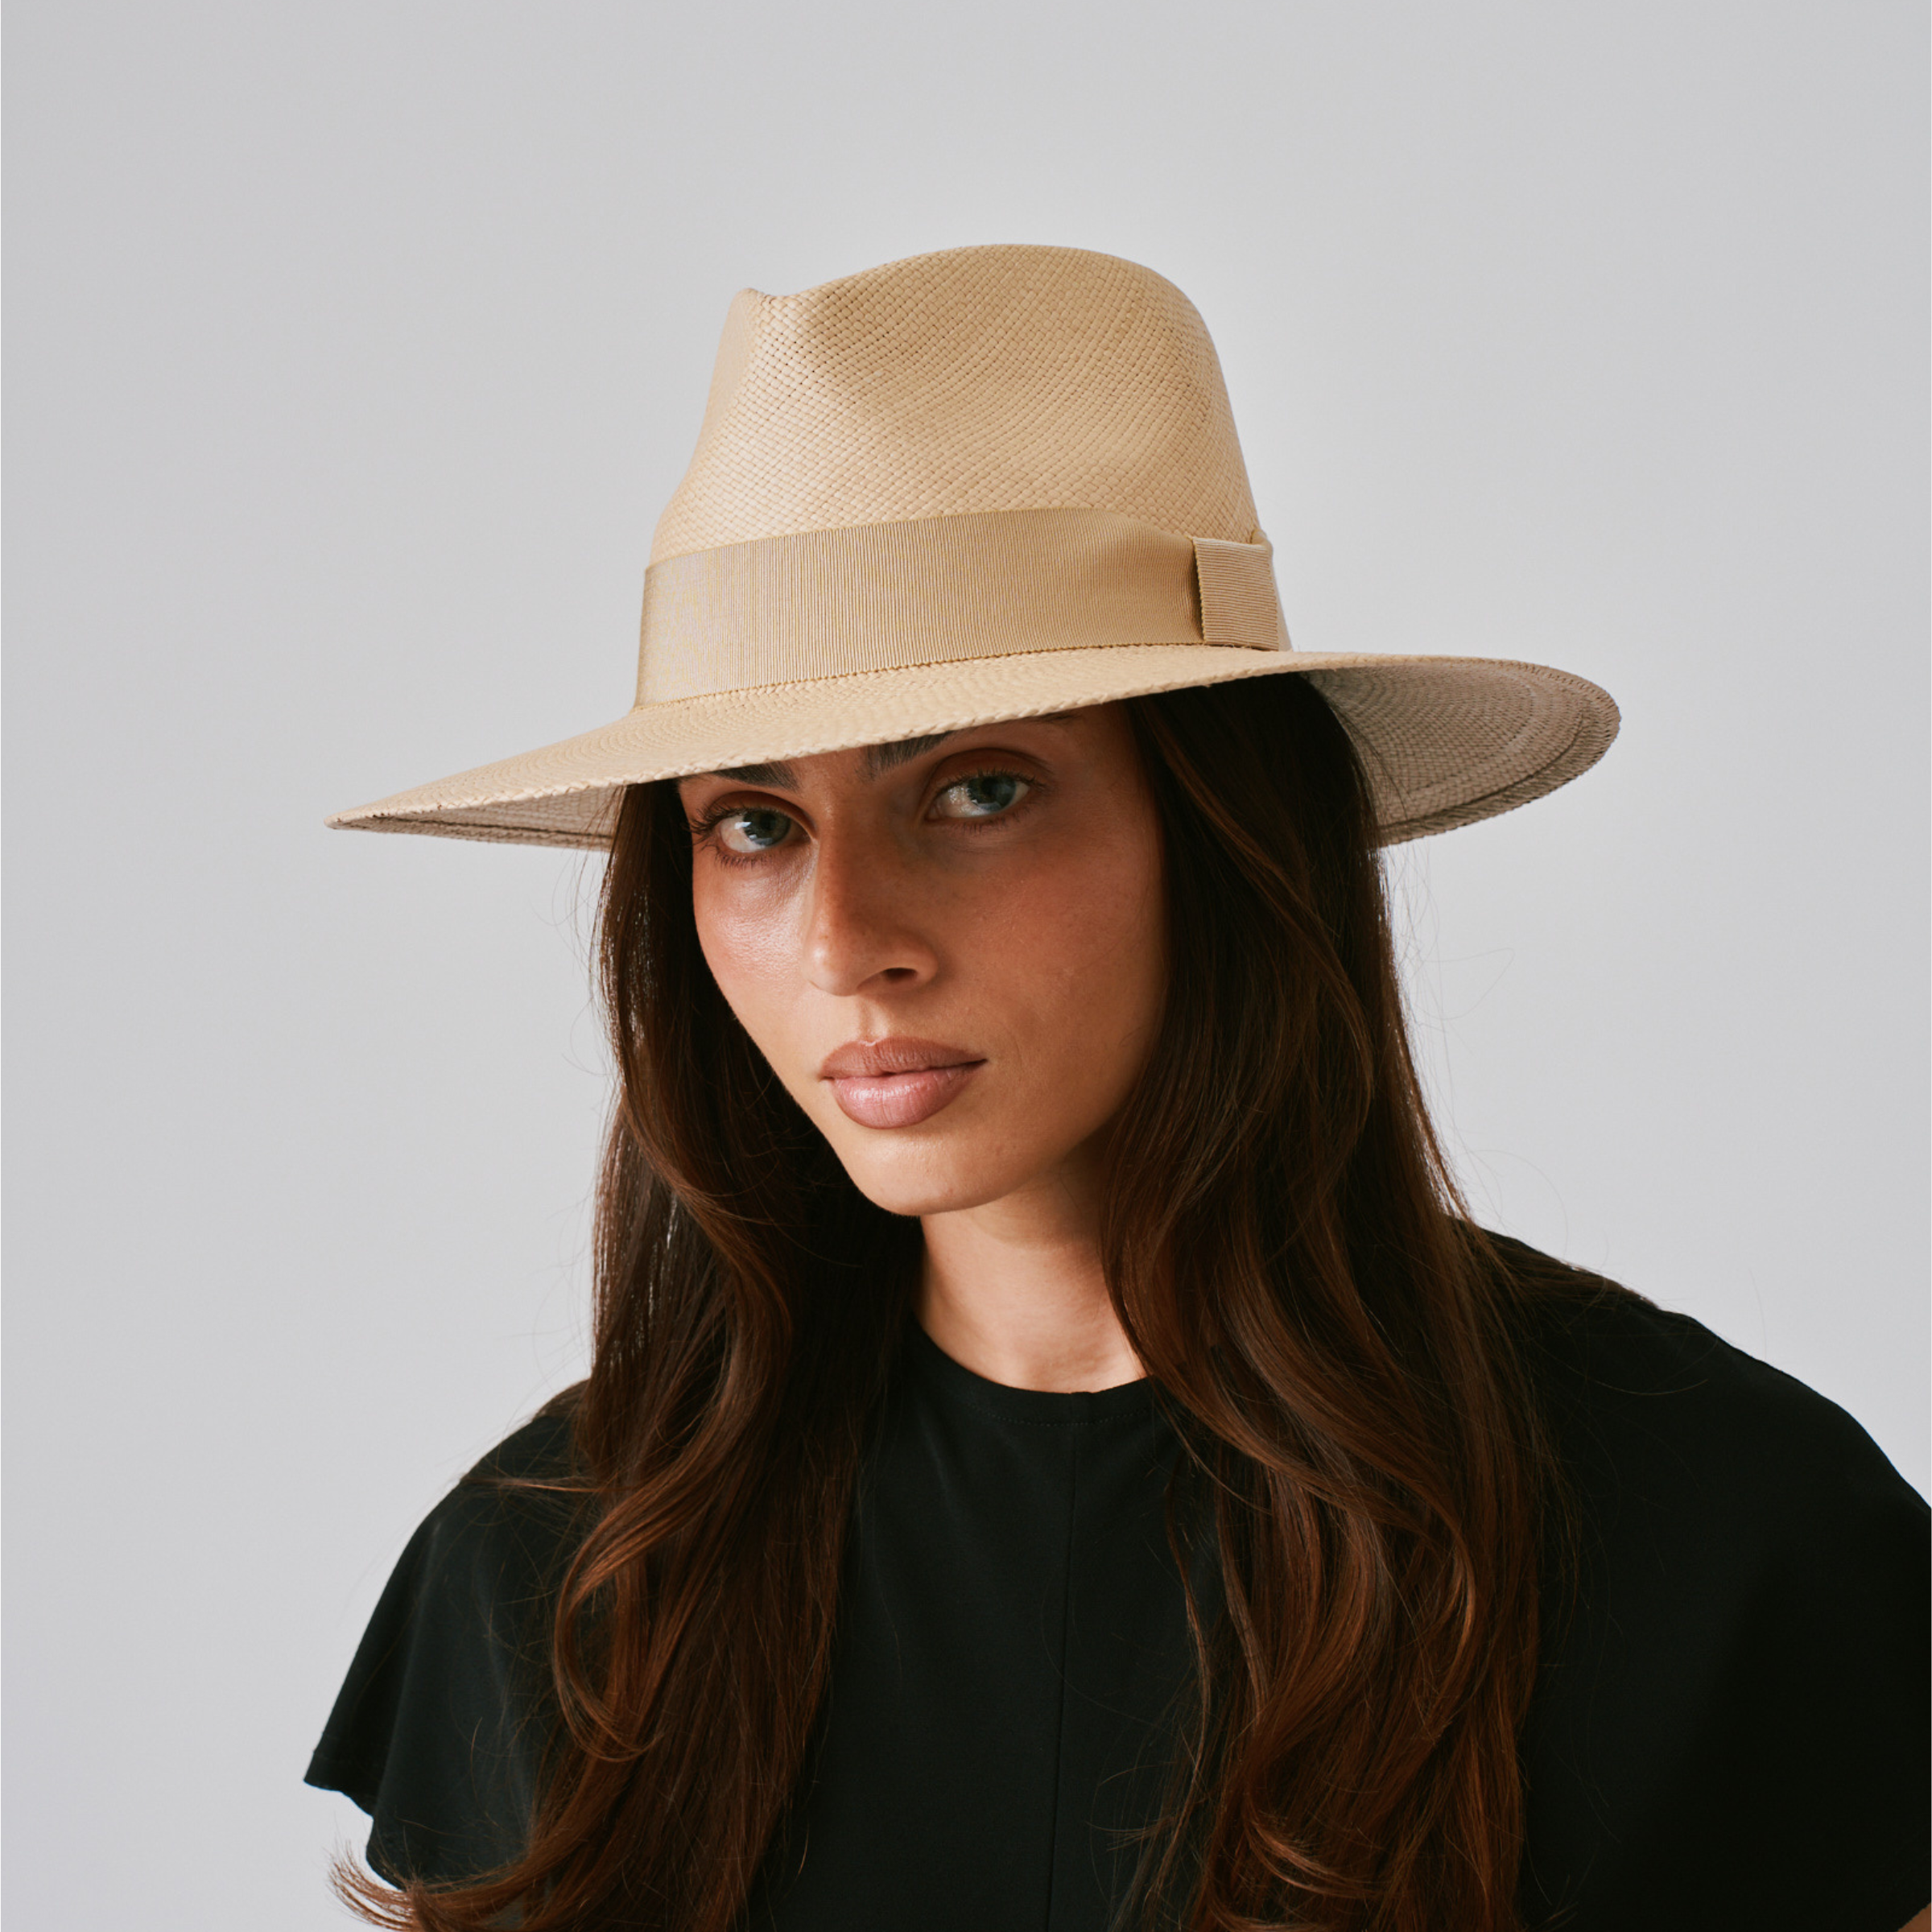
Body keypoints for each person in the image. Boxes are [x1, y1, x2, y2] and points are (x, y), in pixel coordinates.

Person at [307, 245, 1929, 1932]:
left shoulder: (1720, 1541)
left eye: (980, 788)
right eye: (755, 823)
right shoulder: (555, 1583)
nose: (850, 939)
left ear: (1227, 833)